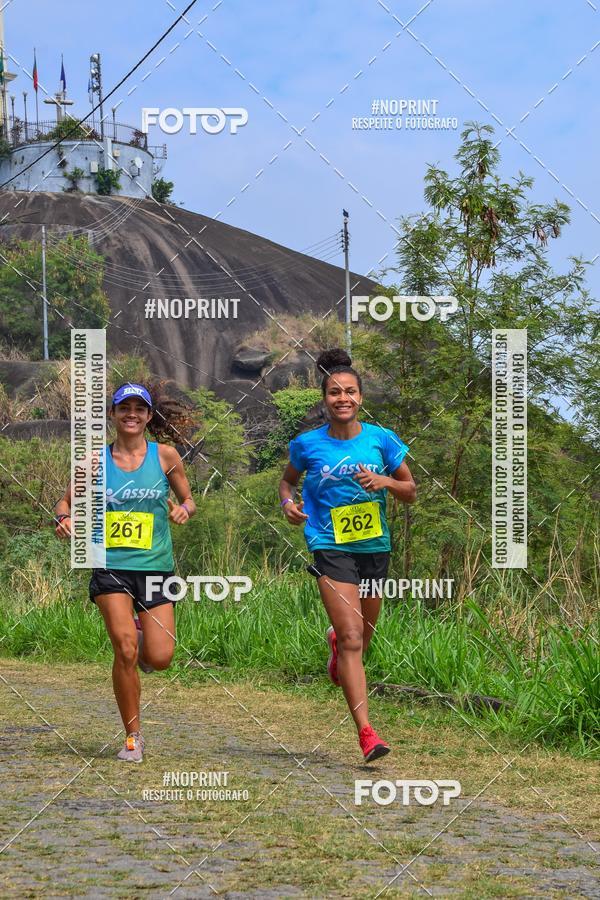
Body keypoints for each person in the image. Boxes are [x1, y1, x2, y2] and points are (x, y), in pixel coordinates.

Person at [279, 349, 416, 761]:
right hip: (329, 545)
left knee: (361, 639)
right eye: (335, 392)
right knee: (355, 638)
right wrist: (288, 504)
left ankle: (337, 646)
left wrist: (385, 481)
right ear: (325, 399)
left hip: (374, 548)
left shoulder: (382, 439)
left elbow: (411, 491)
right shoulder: (306, 445)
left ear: (360, 397)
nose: (343, 398)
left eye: (350, 391)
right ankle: (367, 734)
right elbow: (287, 483)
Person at [55, 383, 196, 763]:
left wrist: (184, 509)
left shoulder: (166, 456)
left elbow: (188, 498)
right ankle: (133, 736)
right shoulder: (93, 461)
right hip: (110, 566)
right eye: (124, 408)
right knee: (125, 650)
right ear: (114, 415)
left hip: (155, 568)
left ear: (149, 417)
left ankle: (139, 631)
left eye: (139, 408)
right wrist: (64, 517)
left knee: (162, 657)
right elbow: (65, 500)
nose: (131, 414)